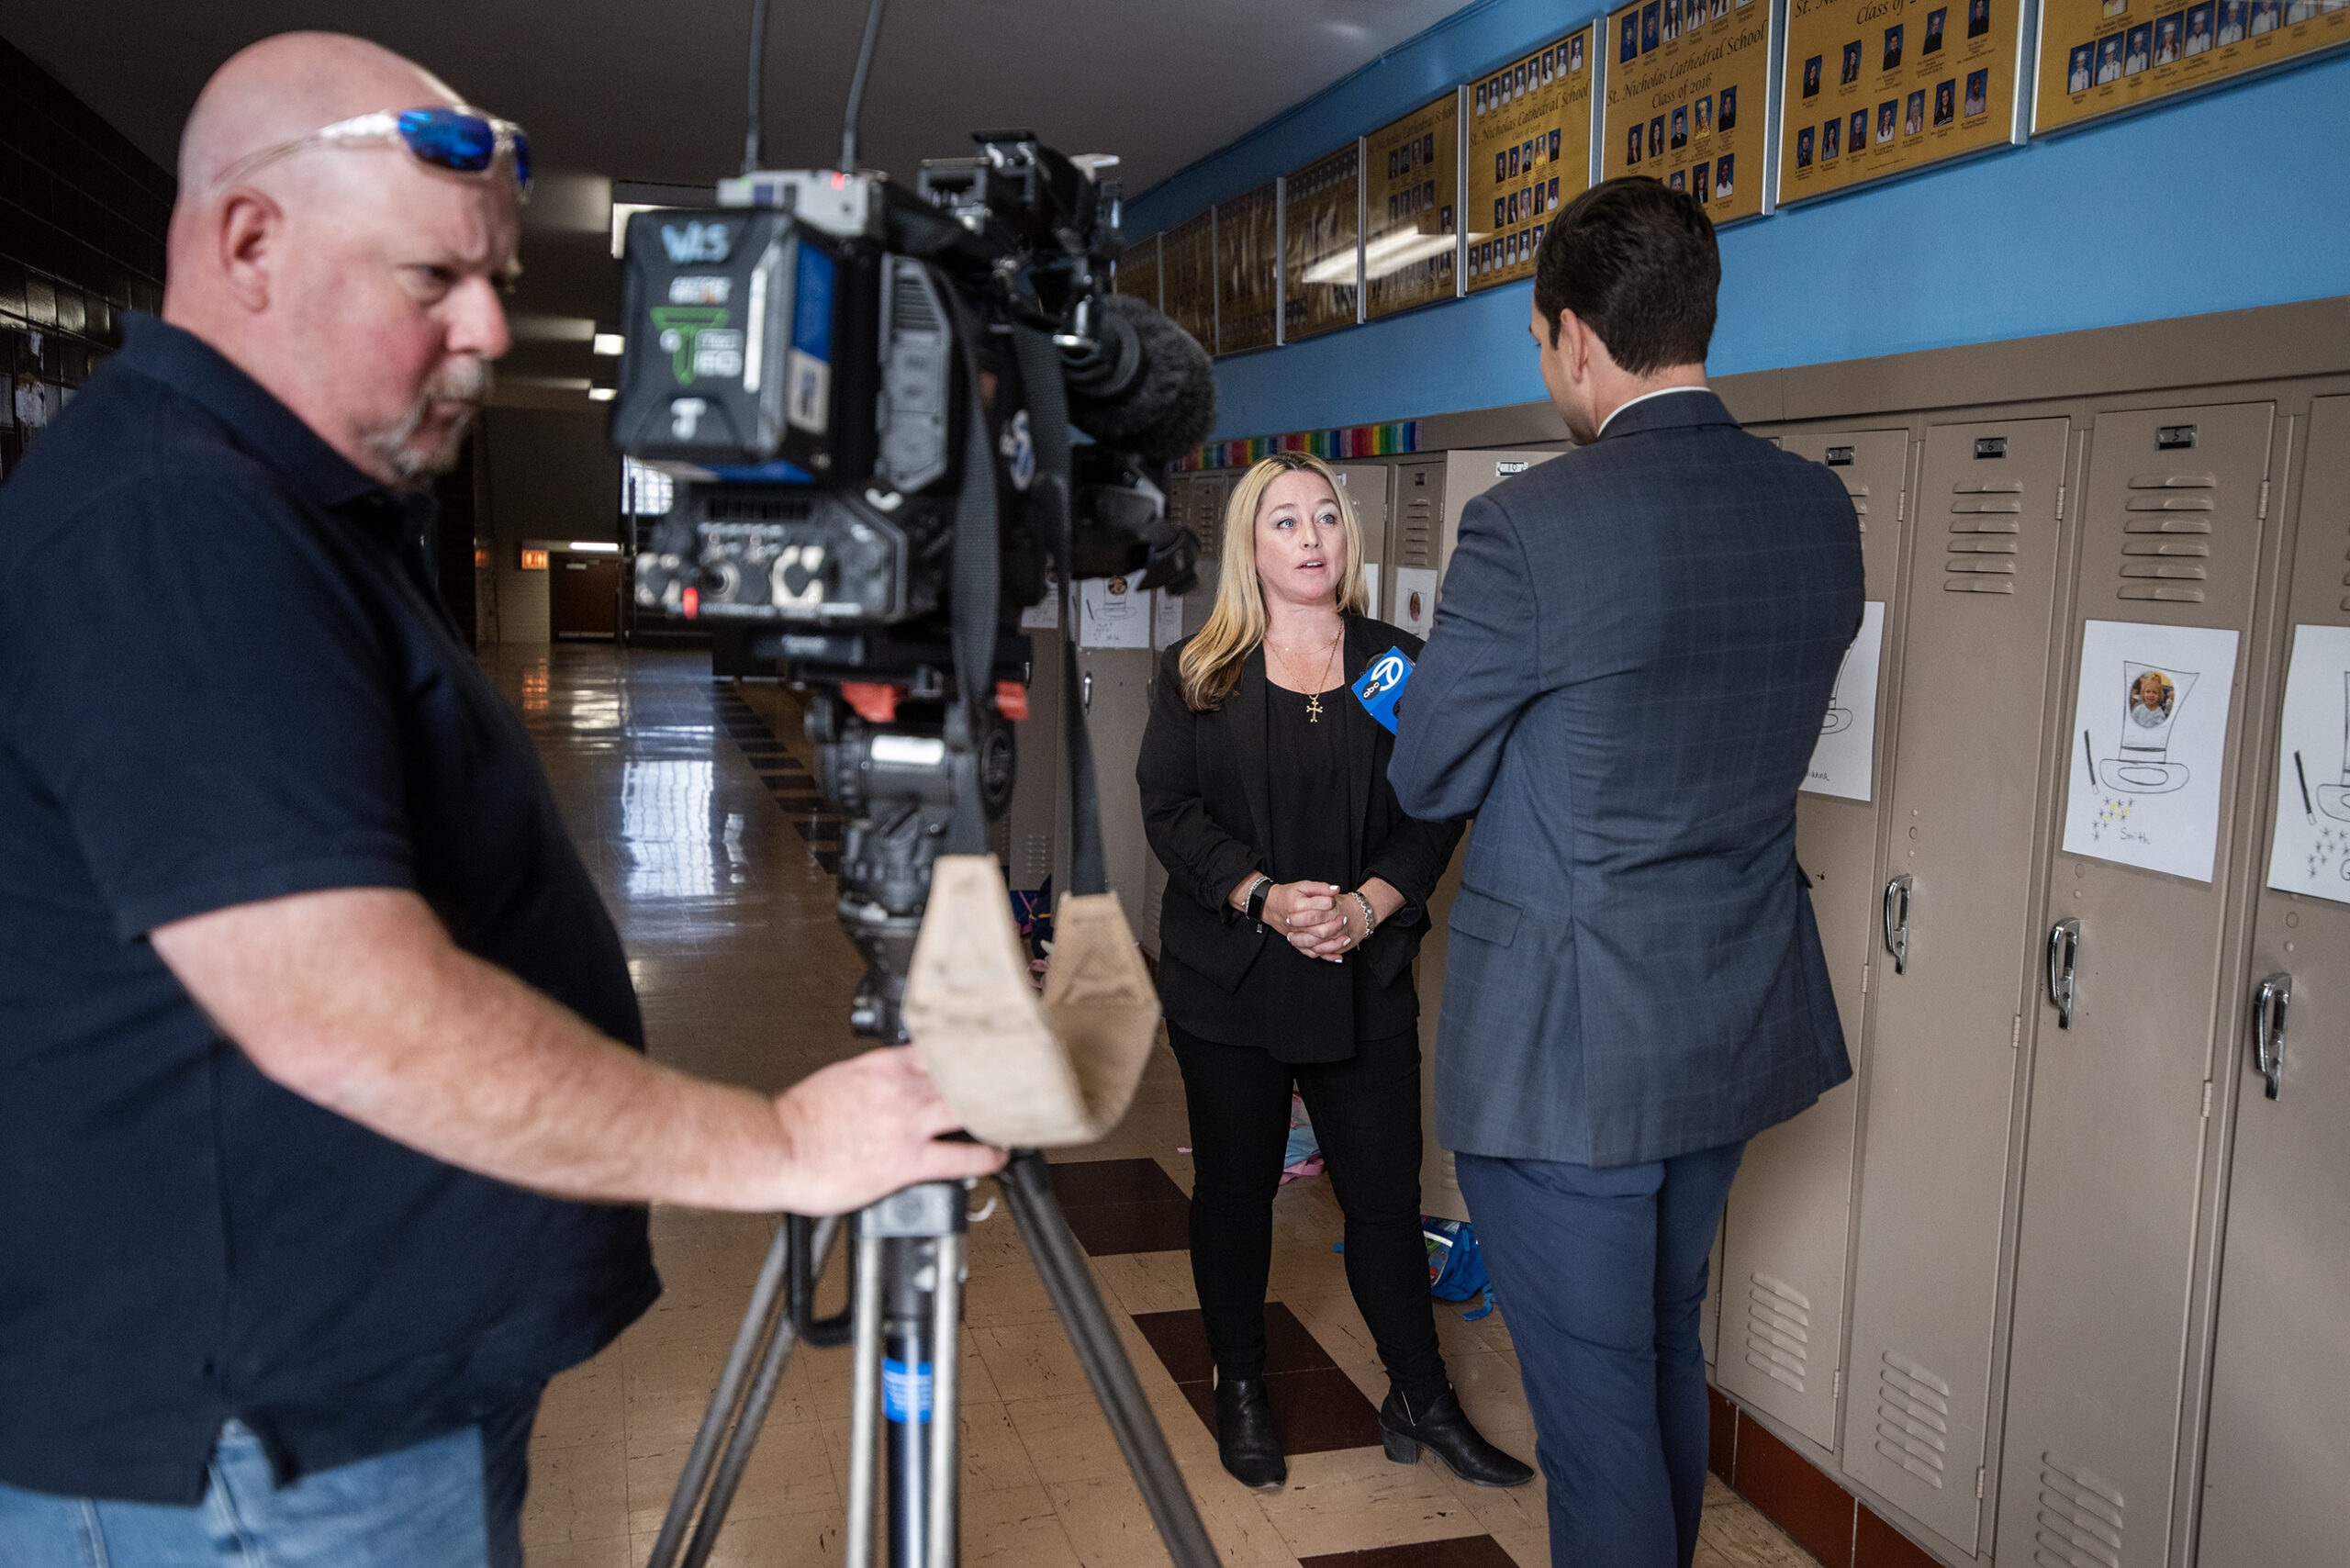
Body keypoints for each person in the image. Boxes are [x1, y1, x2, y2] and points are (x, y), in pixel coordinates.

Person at [0, 32, 1002, 1568]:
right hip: (260, 1461)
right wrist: (780, 1149)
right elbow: (341, 1008)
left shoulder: (294, 509)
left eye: (493, 277)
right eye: (431, 281)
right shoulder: (178, 526)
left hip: (344, 1417)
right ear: (247, 243)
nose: (485, 326)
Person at [1389, 177, 1861, 1568]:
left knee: (1592, 1424)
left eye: (1542, 346)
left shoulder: (1531, 527)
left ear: (1576, 337)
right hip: (1726, 1024)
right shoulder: (1813, 513)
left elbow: (1427, 775)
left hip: (1566, 1059)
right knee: (1661, 1348)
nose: (1548, 370)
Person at [1136, 454, 1529, 1496]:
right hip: (1233, 978)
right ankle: (1242, 1387)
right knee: (1232, 1191)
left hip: (1362, 971)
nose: (1310, 538)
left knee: (1384, 1200)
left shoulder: (1394, 667)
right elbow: (1170, 815)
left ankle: (1420, 1396)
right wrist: (1264, 896)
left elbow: (1434, 806)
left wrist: (1364, 907)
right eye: (1284, 522)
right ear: (1249, 548)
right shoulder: (1198, 674)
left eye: (1325, 519)